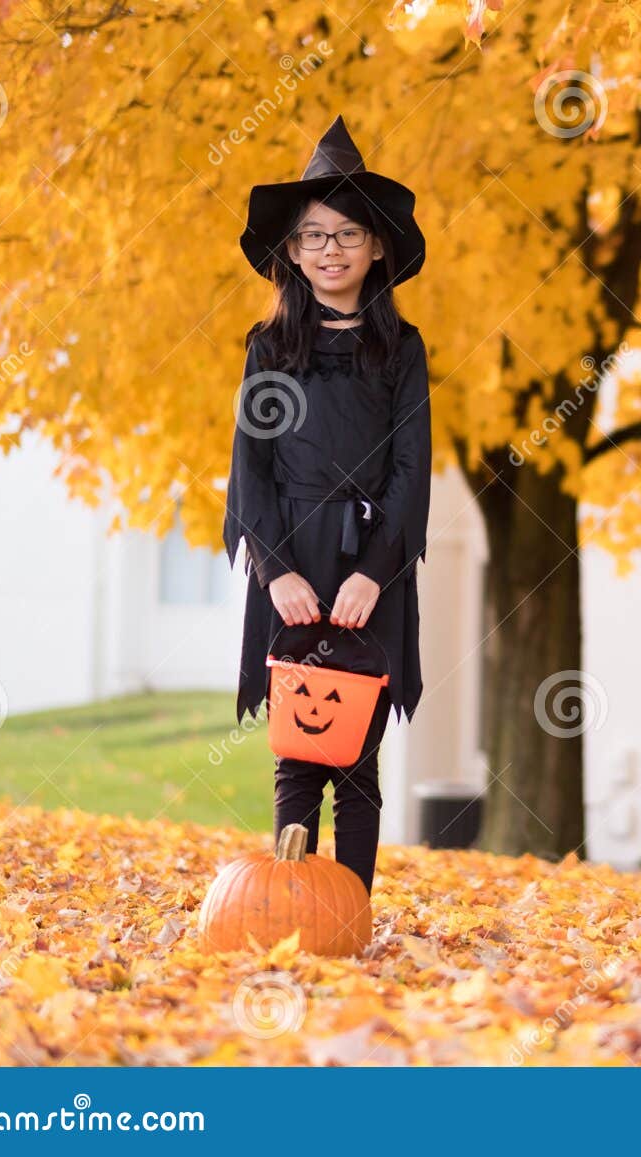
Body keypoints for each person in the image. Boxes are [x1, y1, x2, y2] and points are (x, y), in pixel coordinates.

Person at [222, 116, 432, 894]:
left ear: (376, 247)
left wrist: (376, 573)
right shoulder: (270, 348)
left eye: (348, 234)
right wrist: (276, 570)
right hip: (296, 558)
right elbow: (251, 467)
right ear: (292, 252)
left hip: (369, 562)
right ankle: (291, 902)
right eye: (314, 236)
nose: (331, 249)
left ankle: (350, 908)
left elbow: (413, 469)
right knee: (299, 743)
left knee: (357, 748)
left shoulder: (400, 350)